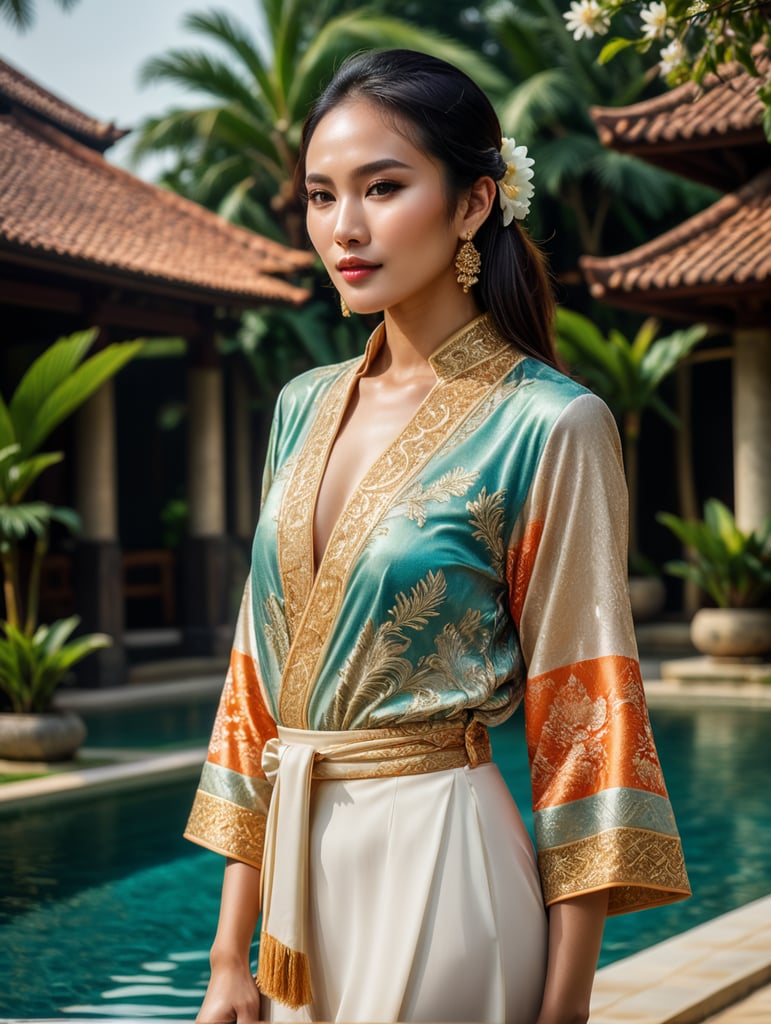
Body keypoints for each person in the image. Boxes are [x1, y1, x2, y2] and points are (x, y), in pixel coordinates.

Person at [185, 48, 690, 1024]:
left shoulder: (551, 424)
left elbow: (586, 720)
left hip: (441, 863)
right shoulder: (301, 406)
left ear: (473, 203)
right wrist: (224, 955)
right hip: (292, 895)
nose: (345, 226)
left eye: (383, 187)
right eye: (321, 195)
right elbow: (255, 687)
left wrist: (564, 1010)